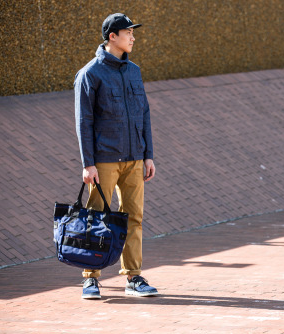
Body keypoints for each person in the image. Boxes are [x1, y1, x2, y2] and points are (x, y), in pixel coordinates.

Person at [74, 13, 158, 299]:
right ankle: (90, 278)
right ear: (113, 36)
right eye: (128, 32)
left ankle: (133, 277)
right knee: (96, 218)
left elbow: (144, 113)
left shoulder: (133, 71)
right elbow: (83, 122)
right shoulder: (90, 74)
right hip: (104, 160)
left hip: (135, 158)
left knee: (134, 217)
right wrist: (88, 163)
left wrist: (148, 154)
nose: (133, 37)